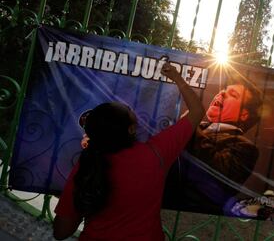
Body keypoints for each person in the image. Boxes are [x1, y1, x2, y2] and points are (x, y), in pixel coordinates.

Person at [53, 63, 205, 240]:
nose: (131, 107)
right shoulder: (155, 154)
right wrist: (178, 79)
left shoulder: (87, 165)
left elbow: (61, 232)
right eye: (129, 110)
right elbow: (197, 111)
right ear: (131, 129)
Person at [163, 80, 263, 214]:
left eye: (232, 94)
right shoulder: (195, 127)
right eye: (223, 90)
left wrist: (192, 128)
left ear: (243, 114)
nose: (221, 93)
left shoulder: (246, 148)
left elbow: (213, 173)